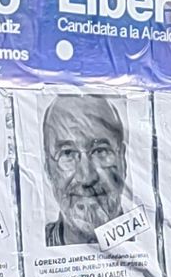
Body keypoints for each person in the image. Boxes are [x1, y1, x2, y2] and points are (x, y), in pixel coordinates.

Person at [42, 92, 127, 246]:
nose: (86, 177)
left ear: (123, 160)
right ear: (48, 167)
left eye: (100, 151)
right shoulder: (32, 247)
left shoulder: (151, 240)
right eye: (68, 153)